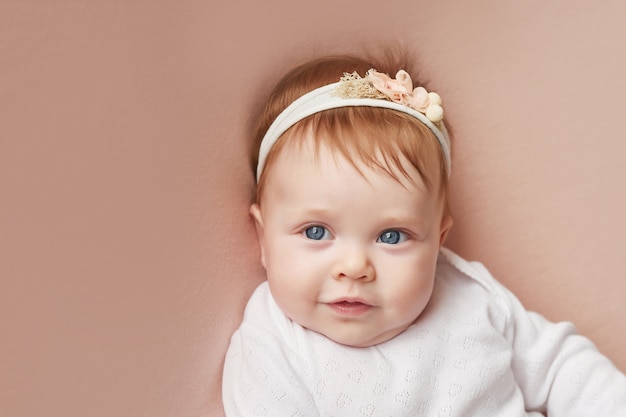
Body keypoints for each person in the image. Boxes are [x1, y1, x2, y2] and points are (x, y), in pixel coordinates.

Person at [222, 55, 626, 416]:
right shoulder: (272, 345)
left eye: (392, 236)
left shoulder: (469, 294)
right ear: (263, 238)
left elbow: (561, 367)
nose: (354, 268)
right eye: (315, 231)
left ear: (438, 240)